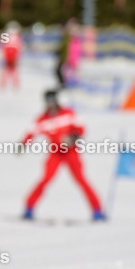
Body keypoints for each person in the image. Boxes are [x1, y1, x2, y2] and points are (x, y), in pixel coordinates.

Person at [20, 90, 105, 221]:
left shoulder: (68, 113)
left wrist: (73, 137)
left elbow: (81, 128)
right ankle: (29, 208)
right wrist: (24, 144)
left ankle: (97, 210)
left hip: (71, 151)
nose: (51, 104)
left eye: (53, 101)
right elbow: (32, 132)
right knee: (46, 178)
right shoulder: (43, 119)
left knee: (81, 179)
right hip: (55, 152)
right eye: (48, 102)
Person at [0, 21, 23, 90]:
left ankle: (13, 84)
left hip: (12, 54)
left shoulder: (16, 36)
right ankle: (6, 84)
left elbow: (20, 46)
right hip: (10, 54)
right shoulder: (16, 36)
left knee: (11, 70)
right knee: (9, 70)